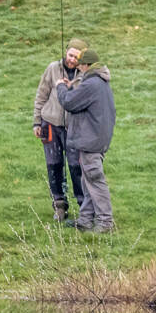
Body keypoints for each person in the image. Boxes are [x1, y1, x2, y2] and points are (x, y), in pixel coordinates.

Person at [55, 49, 116, 233]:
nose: (79, 68)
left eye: (81, 65)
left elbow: (69, 102)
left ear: (86, 65)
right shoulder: (100, 82)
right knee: (88, 181)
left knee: (95, 180)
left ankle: (105, 223)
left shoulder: (91, 83)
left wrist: (61, 87)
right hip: (97, 139)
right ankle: (85, 220)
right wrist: (72, 87)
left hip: (91, 142)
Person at [33, 38, 88, 222]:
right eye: (70, 55)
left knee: (76, 167)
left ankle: (84, 208)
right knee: (54, 166)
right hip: (50, 124)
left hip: (75, 128)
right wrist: (37, 122)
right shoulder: (52, 68)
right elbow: (41, 95)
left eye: (76, 57)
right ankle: (59, 206)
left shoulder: (86, 75)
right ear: (66, 53)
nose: (72, 59)